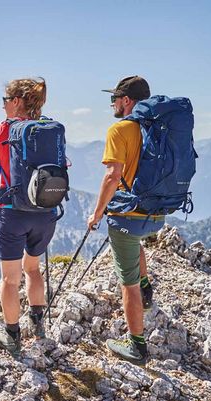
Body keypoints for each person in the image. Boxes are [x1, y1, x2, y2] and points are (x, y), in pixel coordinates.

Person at [87, 75, 160, 363]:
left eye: (114, 99)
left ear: (127, 101)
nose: (113, 104)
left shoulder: (120, 130)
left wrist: (96, 213)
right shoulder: (156, 128)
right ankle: (147, 289)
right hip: (157, 212)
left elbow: (112, 176)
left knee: (126, 281)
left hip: (129, 215)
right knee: (134, 245)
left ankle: (137, 346)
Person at [0, 78, 56, 355]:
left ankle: (12, 334)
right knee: (33, 268)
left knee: (10, 279)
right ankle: (37, 322)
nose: (3, 105)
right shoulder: (48, 129)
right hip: (44, 211)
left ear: (16, 101)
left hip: (11, 213)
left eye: (5, 100)